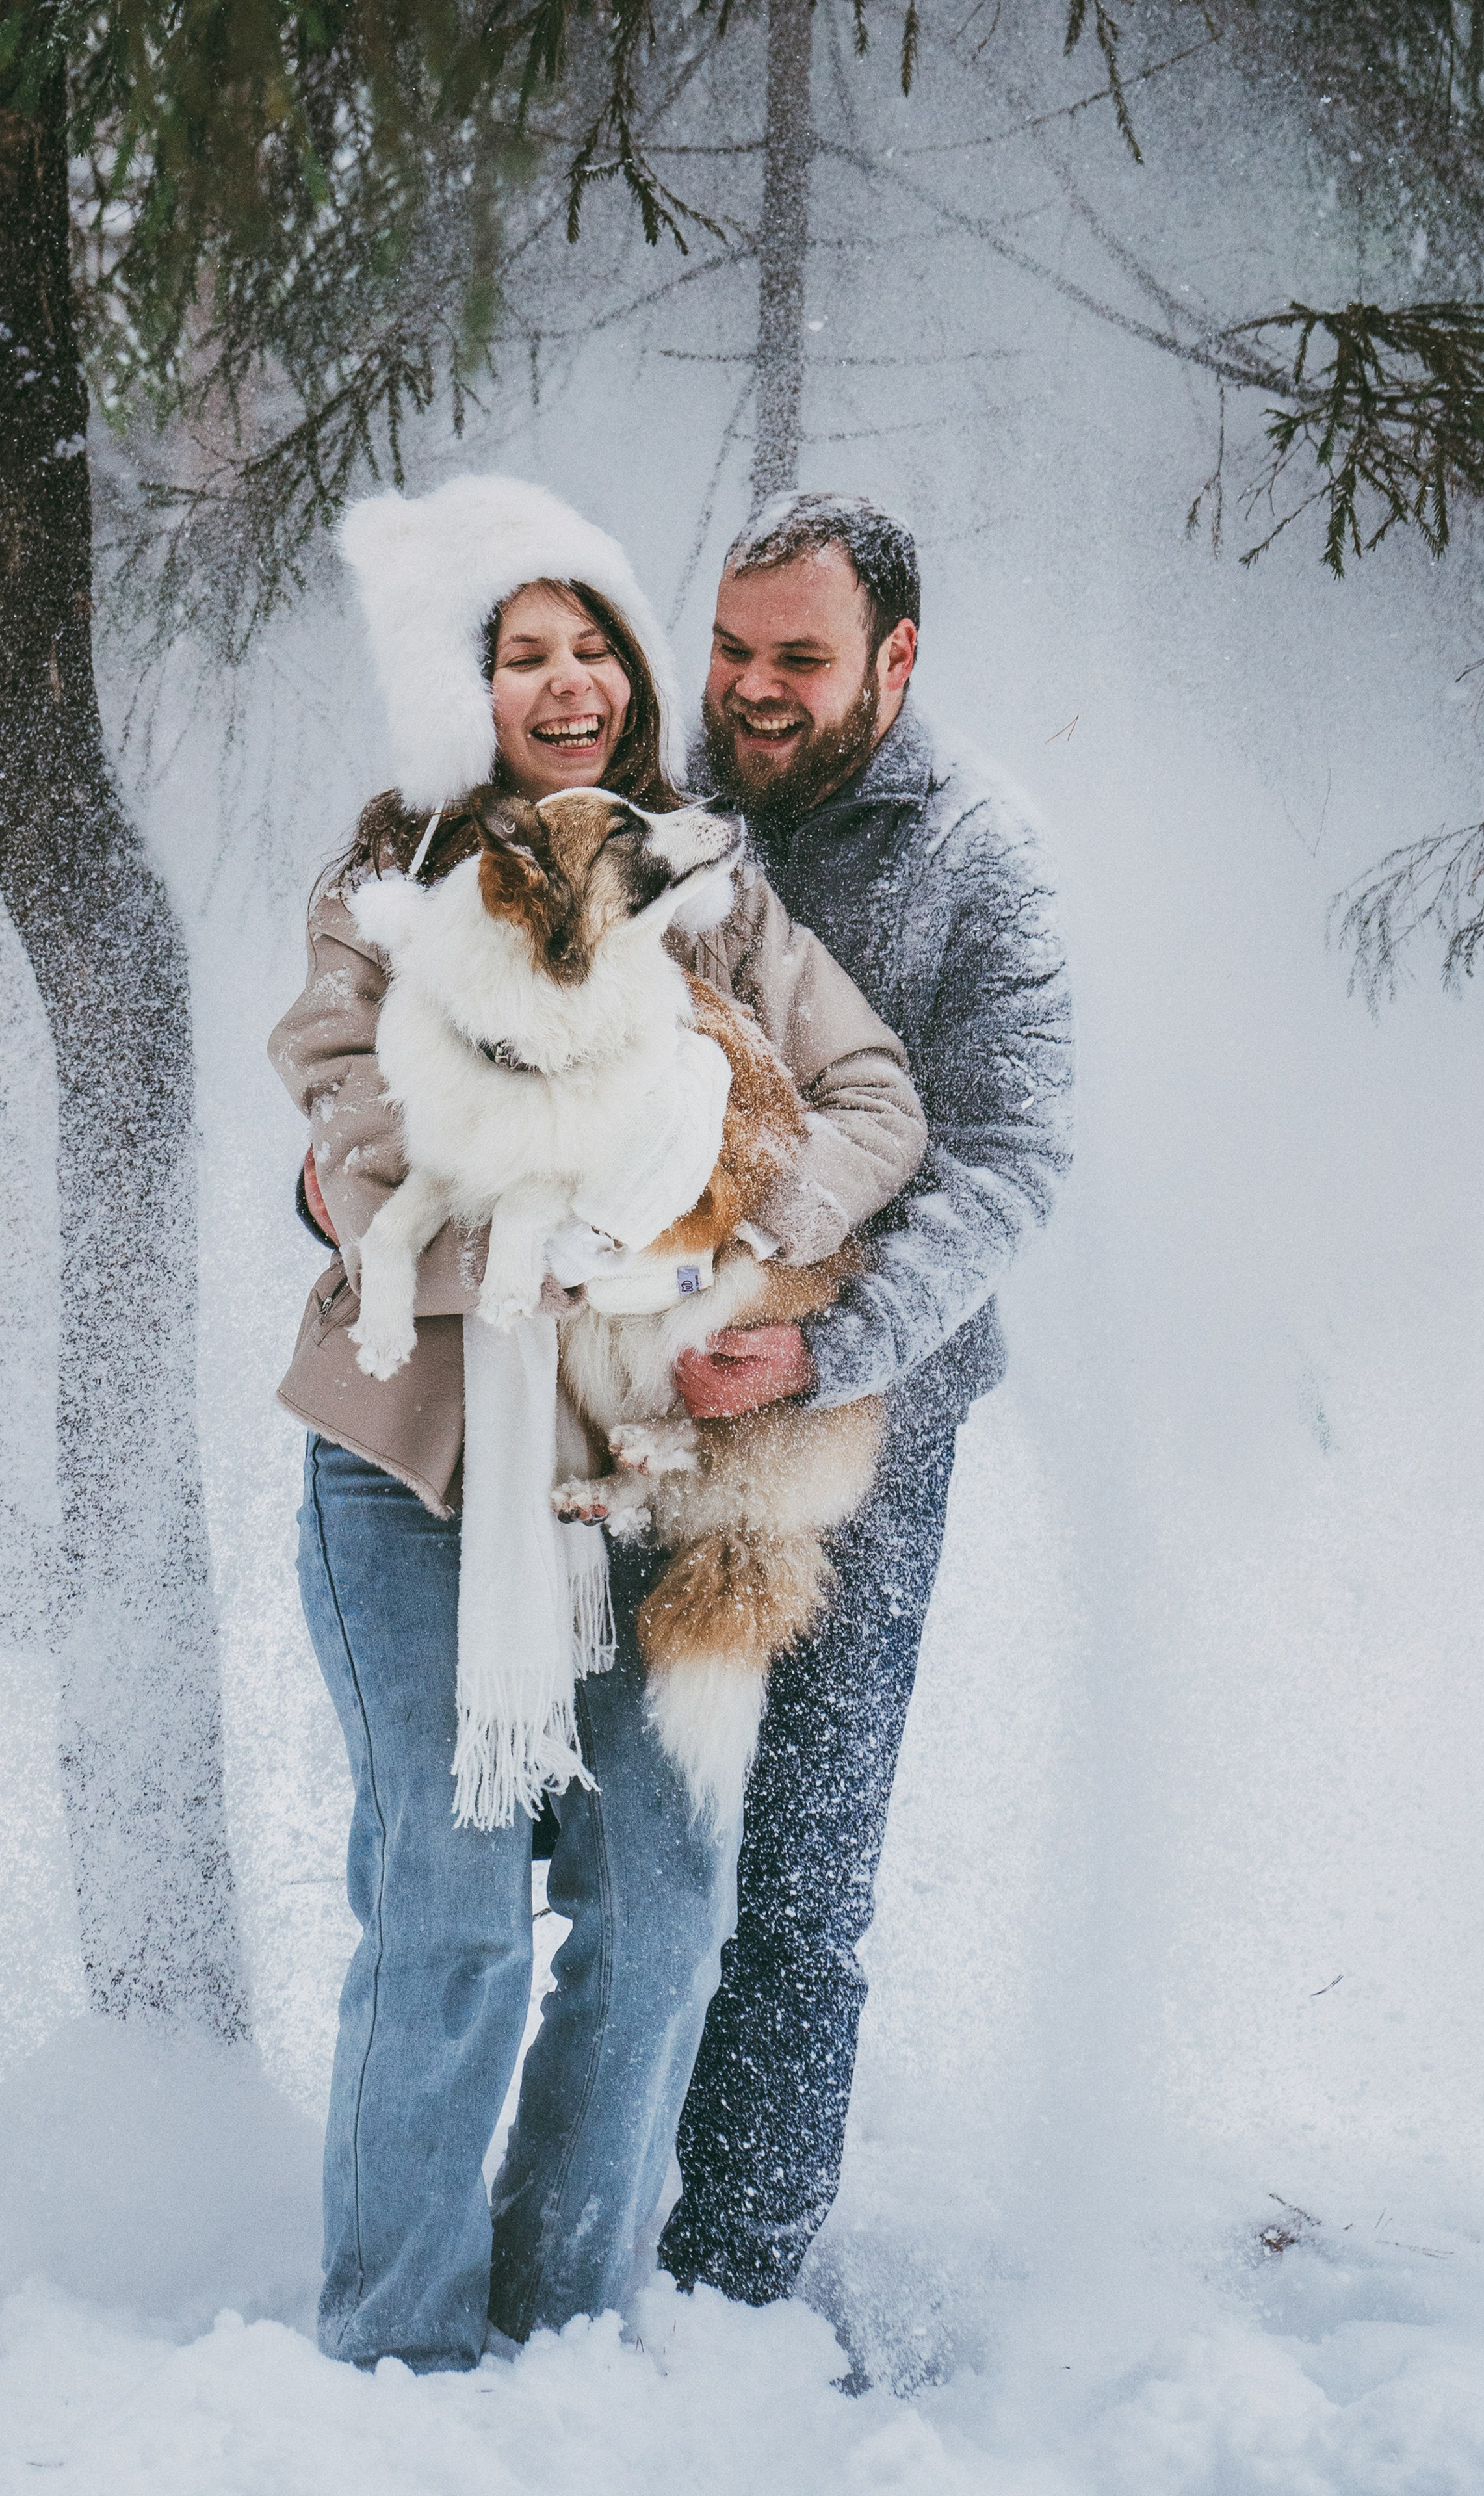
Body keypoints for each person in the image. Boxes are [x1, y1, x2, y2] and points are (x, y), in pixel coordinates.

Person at [269, 473, 926, 2372]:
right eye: (519, 654)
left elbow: (872, 1095)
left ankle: (566, 2331)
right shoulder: (388, 886)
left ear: (635, 675)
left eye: (590, 649)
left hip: (641, 1472)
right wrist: (532, 1197)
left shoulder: (706, 883)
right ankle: (393, 2355)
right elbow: (354, 1117)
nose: (563, 683)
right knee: (453, 1910)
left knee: (661, 1913)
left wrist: (734, 1225)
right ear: (460, 689)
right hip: (420, 1456)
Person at [655, 493, 1073, 2308]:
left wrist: (832, 1347)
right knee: (621, 1836)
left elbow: (1015, 1160)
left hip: (869, 1420)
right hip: (646, 1394)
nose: (752, 691)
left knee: (804, 1883)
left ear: (897, 658)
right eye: (733, 650)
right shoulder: (661, 809)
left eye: (798, 661)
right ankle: (584, 2222)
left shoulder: (987, 856)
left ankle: (734, 2284)